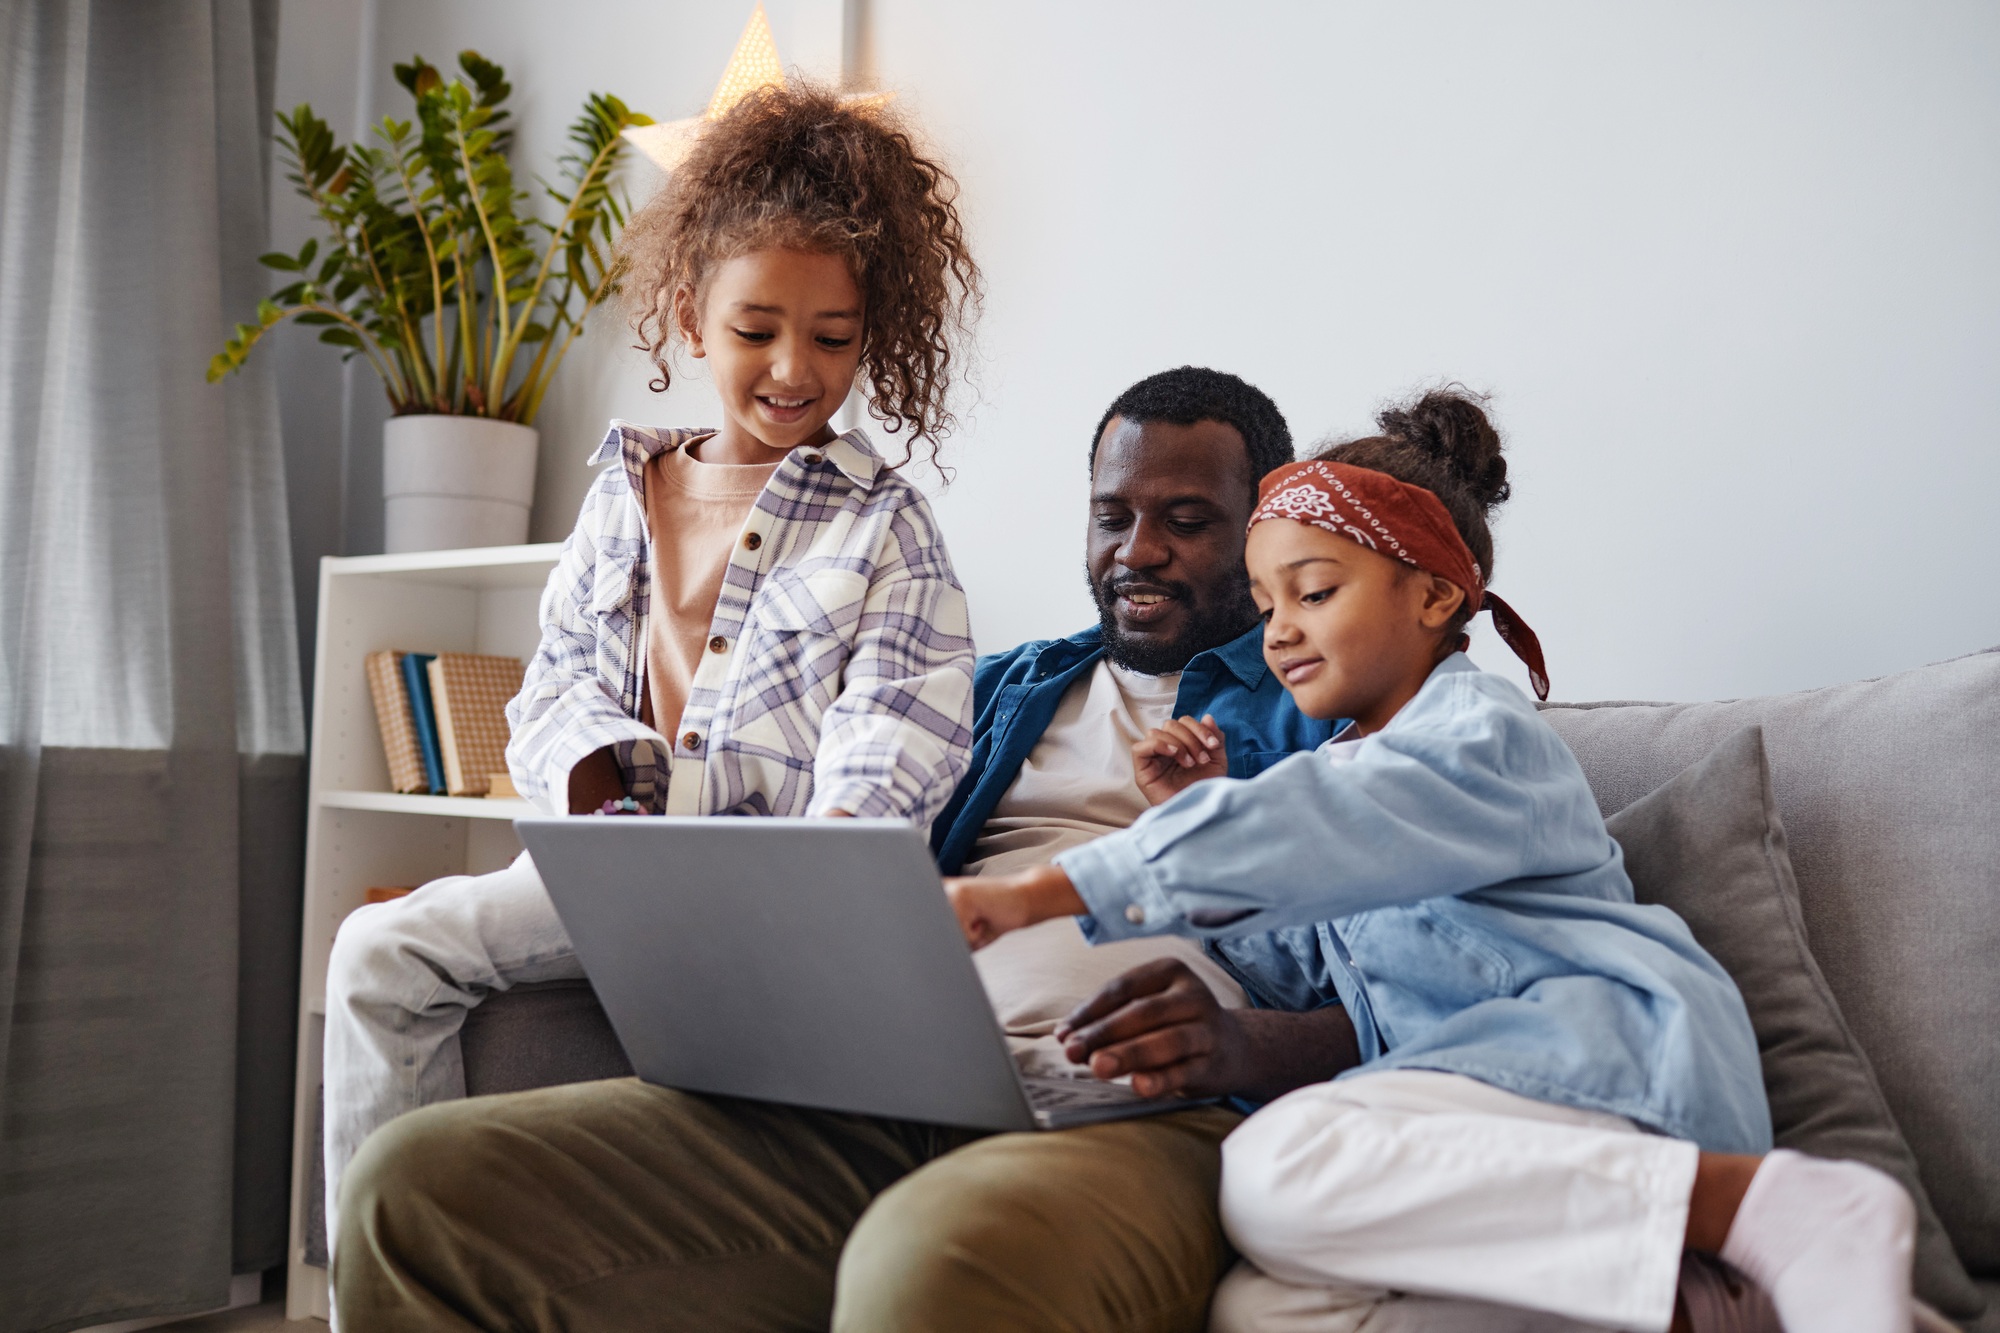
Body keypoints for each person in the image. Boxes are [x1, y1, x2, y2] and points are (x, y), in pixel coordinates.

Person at [332, 366, 1364, 1332]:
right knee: (418, 1182)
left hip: (1140, 1118)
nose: (1137, 549)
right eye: (1111, 516)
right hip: (881, 1082)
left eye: (1187, 522)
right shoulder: (995, 685)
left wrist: (1240, 1048)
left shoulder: (1334, 714)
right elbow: (821, 808)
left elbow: (1425, 993)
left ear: (1265, 532)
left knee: (932, 1260)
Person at [948, 389, 1925, 1333]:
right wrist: (1202, 811)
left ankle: (1752, 1207)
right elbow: (1298, 959)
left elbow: (1332, 818)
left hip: (1592, 1073)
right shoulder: (1340, 767)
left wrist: (1044, 890)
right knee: (1269, 1308)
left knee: (1271, 1166)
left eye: (1314, 591)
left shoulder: (1477, 732)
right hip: (1465, 1103)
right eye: (1264, 600)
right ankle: (1711, 1305)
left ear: (1432, 594)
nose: (1277, 627)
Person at [320, 81, 981, 1258]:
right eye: (755, 330)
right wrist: (594, 777)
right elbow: (550, 692)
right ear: (689, 319)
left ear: (870, 335)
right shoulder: (620, 494)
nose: (794, 366)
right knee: (378, 950)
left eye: (833, 338)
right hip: (613, 873)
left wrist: (812, 887)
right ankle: (390, 1286)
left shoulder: (890, 530)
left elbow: (895, 742)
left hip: (785, 892)